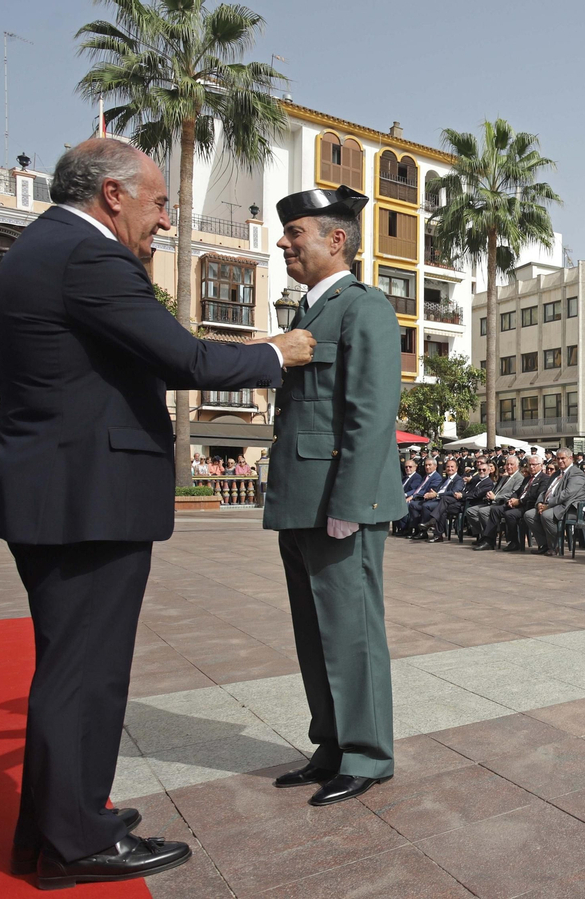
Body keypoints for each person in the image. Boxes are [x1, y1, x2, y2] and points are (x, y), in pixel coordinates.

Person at [0, 139, 311, 886]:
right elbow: (188, 360)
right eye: (160, 202)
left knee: (69, 667)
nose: (165, 220)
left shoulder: (44, 246)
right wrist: (279, 350)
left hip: (60, 489)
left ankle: (58, 823)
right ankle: (75, 844)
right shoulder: (90, 258)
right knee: (87, 673)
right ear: (111, 194)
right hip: (85, 498)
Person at [264, 183, 405, 809]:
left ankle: (367, 753)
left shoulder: (363, 307)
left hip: (339, 503)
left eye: (296, 233)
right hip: (300, 497)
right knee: (314, 631)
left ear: (335, 239)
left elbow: (371, 415)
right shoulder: (306, 314)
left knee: (351, 632)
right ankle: (331, 745)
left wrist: (352, 503)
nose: (284, 242)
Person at [528, 449, 585, 555]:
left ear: (571, 458)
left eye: (563, 458)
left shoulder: (577, 473)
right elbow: (545, 490)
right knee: (529, 515)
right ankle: (544, 544)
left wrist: (548, 505)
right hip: (551, 505)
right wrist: (540, 503)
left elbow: (567, 493)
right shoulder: (556, 474)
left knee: (547, 515)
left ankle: (555, 545)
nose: (560, 461)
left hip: (568, 507)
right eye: (558, 458)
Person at [490, 455, 548, 551]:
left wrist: (519, 501)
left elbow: (536, 495)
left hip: (528, 505)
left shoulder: (544, 478)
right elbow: (518, 491)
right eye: (530, 465)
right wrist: (512, 499)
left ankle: (514, 542)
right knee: (496, 509)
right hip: (518, 503)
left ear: (541, 466)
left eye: (534, 465)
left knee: (510, 514)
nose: (531, 467)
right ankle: (489, 539)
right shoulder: (527, 478)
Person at [465, 454, 521, 544]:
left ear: (517, 466)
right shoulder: (504, 478)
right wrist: (490, 493)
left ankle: (489, 538)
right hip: (493, 502)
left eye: (511, 464)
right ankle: (486, 534)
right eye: (507, 464)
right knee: (470, 511)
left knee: (483, 511)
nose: (509, 467)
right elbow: (496, 489)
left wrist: (495, 497)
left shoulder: (519, 478)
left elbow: (513, 493)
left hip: (504, 503)